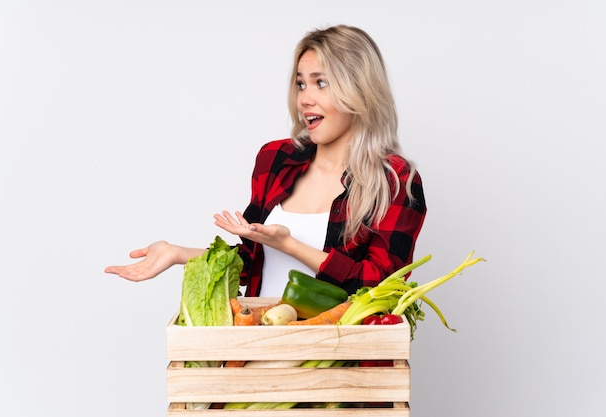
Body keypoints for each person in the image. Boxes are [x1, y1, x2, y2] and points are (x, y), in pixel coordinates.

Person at [105, 25, 426, 297]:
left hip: (333, 360)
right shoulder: (276, 159)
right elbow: (249, 260)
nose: (304, 99)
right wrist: (178, 254)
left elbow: (381, 288)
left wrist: (292, 245)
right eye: (301, 83)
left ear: (360, 90)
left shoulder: (395, 181)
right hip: (260, 347)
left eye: (320, 82)